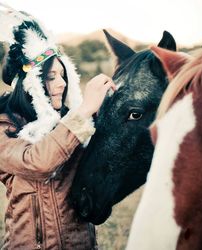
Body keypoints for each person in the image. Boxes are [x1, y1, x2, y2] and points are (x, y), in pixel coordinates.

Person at [0, 5, 115, 249]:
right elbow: (37, 162)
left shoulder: (74, 124)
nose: (61, 84)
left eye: (64, 76)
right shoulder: (5, 126)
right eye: (51, 77)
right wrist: (83, 111)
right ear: (29, 84)